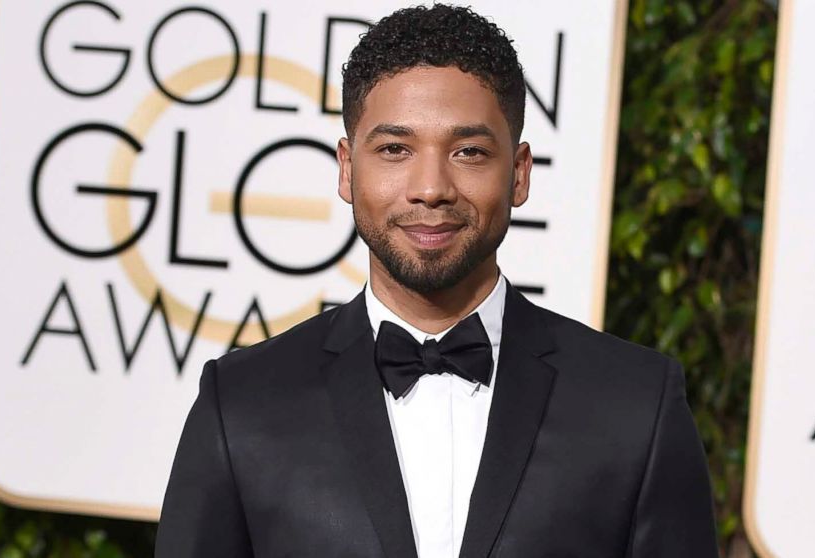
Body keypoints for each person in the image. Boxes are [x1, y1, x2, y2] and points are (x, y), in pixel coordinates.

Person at [154, 4, 718, 557]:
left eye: (468, 152)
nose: (431, 187)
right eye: (395, 149)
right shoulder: (243, 405)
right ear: (347, 169)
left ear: (519, 174)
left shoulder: (636, 405)